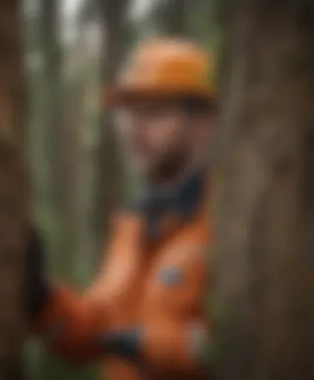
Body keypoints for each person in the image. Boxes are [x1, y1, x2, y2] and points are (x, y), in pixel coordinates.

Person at [26, 37, 217, 380]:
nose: (134, 129)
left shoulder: (232, 223)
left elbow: (258, 344)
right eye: (129, 114)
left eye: (154, 113)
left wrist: (154, 346)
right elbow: (92, 335)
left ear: (204, 121)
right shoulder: (133, 225)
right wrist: (42, 299)